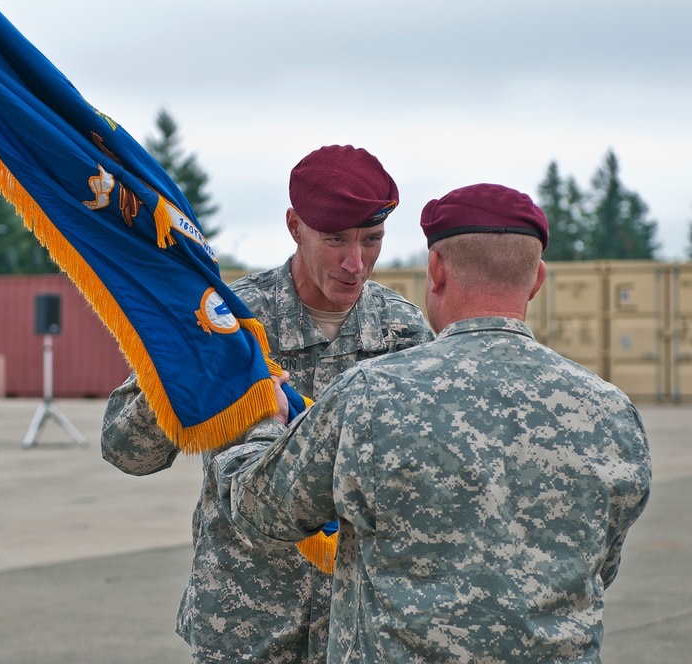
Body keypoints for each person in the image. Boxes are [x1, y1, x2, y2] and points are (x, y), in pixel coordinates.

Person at [216, 183, 653, 663]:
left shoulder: (371, 393)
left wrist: (263, 422)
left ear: (437, 269)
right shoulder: (610, 411)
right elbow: (599, 564)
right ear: (537, 280)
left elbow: (262, 511)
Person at [101, 145, 435, 662]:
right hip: (244, 621)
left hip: (358, 627)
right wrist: (188, 367)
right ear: (294, 225)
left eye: (372, 240)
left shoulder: (402, 331)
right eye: (335, 239)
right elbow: (126, 450)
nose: (355, 263)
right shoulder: (226, 322)